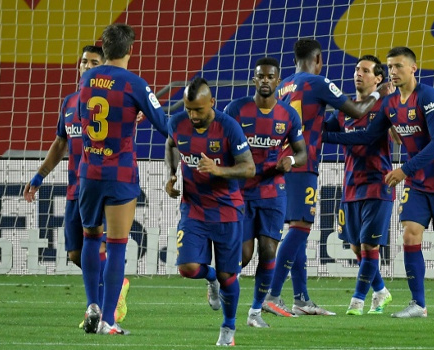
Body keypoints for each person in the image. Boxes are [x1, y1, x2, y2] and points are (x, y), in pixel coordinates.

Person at [324, 46, 434, 318]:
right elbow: (366, 137)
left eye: (398, 66)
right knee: (410, 236)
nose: (393, 72)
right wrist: (324, 136)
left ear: (413, 68)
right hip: (417, 182)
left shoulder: (428, 96)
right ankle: (418, 305)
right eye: (390, 67)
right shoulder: (390, 104)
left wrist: (404, 170)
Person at [264, 38, 394, 317]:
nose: (358, 74)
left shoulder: (284, 84)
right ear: (319, 59)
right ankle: (272, 295)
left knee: (295, 230)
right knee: (300, 229)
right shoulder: (318, 82)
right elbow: (357, 111)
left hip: (283, 163)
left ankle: (301, 298)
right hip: (303, 163)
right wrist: (379, 93)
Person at [23, 45, 130, 327]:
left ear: (104, 66)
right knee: (74, 253)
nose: (87, 66)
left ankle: (100, 307)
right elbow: (60, 143)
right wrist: (39, 176)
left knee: (101, 246)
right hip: (75, 190)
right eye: (84, 61)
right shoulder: (70, 102)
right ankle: (113, 286)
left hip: (105, 187)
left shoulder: (116, 99)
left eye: (94, 62)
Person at [78, 23, 168, 335]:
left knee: (91, 237)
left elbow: (81, 117)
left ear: (104, 49)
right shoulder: (135, 84)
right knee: (116, 245)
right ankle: (108, 321)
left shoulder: (87, 77)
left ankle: (92, 304)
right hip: (119, 173)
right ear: (130, 50)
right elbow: (164, 125)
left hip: (89, 172)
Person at [165, 77, 255, 346]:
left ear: (212, 103)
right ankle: (211, 278)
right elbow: (171, 144)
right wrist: (171, 175)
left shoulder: (229, 128)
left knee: (230, 276)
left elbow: (249, 168)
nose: (192, 115)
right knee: (187, 267)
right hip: (193, 208)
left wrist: (219, 170)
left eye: (199, 110)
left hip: (227, 210)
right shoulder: (177, 122)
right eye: (189, 109)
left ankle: (228, 328)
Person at [223, 57, 307, 327]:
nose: (266, 81)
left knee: (269, 250)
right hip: (241, 192)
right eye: (261, 76)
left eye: (271, 76)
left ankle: (255, 312)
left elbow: (302, 152)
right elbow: (220, 144)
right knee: (244, 255)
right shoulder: (236, 110)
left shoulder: (288, 115)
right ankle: (219, 282)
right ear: (254, 79)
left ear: (278, 80)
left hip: (273, 190)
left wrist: (291, 161)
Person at [323, 55, 395, 315]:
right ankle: (381, 291)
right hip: (351, 185)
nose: (358, 74)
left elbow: (366, 137)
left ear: (378, 78)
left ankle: (357, 301)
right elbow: (321, 128)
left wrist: (326, 136)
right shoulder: (346, 108)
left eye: (365, 70)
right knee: (355, 246)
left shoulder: (386, 105)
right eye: (357, 69)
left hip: (379, 183)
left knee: (369, 246)